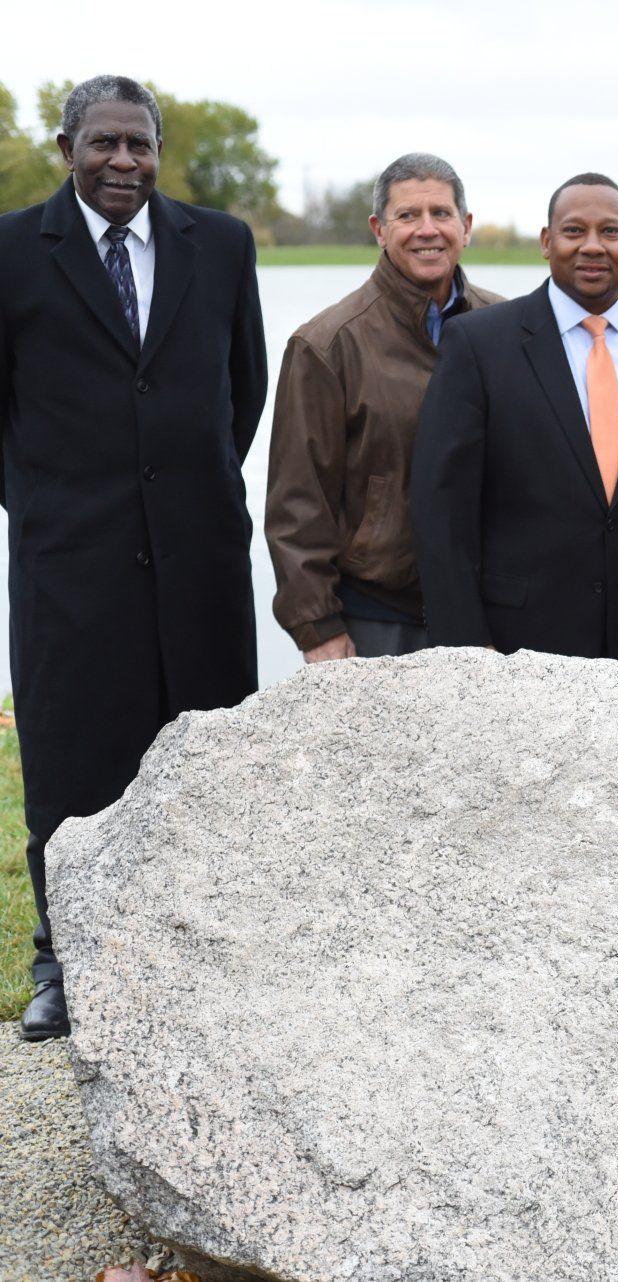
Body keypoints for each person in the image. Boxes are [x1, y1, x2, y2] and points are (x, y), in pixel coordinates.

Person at [0, 76, 267, 1040]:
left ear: (158, 151)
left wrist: (180, 494)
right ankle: (62, 962)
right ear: (65, 149)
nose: (124, 163)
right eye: (104, 144)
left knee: (204, 762)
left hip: (200, 561)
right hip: (68, 563)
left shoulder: (221, 244)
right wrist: (47, 507)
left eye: (140, 145)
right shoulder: (11, 251)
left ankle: (199, 956)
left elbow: (243, 387)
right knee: (73, 767)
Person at [410, 173, 618, 666]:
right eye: (574, 231)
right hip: (513, 645)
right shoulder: (478, 344)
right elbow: (441, 508)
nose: (592, 246)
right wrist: (466, 645)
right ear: (546, 243)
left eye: (610, 232)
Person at [267, 153, 504, 662]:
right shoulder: (328, 344)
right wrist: (317, 628)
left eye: (441, 214)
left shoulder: (508, 328)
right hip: (376, 619)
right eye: (408, 216)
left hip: (490, 615)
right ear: (379, 229)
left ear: (466, 227)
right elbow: (297, 503)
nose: (427, 231)